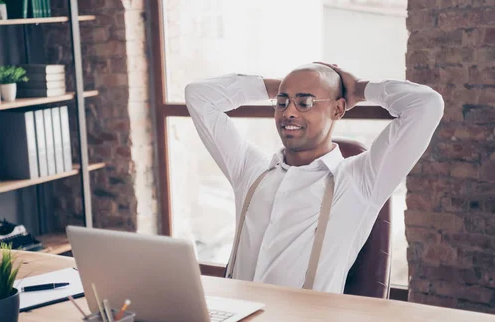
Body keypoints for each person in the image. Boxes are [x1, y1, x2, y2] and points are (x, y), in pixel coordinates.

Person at [184, 62, 444, 293]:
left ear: (338, 110)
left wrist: (359, 89)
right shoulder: (251, 170)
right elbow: (198, 96)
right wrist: (280, 86)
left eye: (305, 102)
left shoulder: (360, 181)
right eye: (282, 102)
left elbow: (426, 105)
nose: (289, 113)